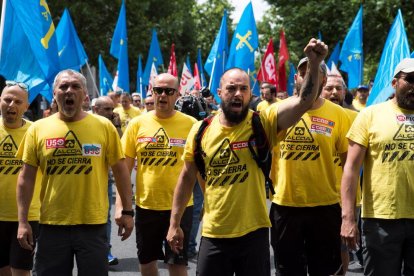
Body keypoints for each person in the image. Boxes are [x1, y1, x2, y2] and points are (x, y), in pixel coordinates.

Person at [167, 38, 328, 276]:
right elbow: (186, 177)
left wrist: (314, 63)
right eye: (231, 88)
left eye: (243, 88)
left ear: (250, 92)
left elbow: (304, 101)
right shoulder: (200, 130)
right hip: (214, 233)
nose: (238, 93)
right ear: (219, 92)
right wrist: (174, 224)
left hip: (254, 233)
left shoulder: (262, 122)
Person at [16, 69, 134, 276]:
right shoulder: (37, 129)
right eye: (63, 87)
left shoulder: (104, 126)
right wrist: (23, 222)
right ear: (54, 94)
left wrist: (127, 211)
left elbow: (121, 171)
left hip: (93, 224)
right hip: (51, 225)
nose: (69, 91)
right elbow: (25, 179)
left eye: (75, 86)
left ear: (85, 95)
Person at [270, 56, 350, 275]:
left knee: (325, 270)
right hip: (284, 206)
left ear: (323, 80)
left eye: (314, 73)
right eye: (304, 73)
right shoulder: (275, 111)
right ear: (296, 78)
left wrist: (349, 211)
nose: (308, 77)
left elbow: (348, 167)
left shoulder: (339, 115)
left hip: (326, 207)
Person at [341, 58, 414, 275]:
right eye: (409, 79)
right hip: (381, 219)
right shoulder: (370, 115)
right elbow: (351, 169)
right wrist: (348, 217)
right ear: (394, 83)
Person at [120, 73, 197, 276]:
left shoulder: (191, 125)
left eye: (168, 91)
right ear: (152, 92)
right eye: (158, 90)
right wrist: (122, 207)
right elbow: (123, 171)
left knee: (177, 265)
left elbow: (199, 169)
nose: (163, 95)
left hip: (180, 208)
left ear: (177, 94)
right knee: (147, 263)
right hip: (147, 206)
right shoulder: (137, 125)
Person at [320, 73, 360, 273]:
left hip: (346, 198)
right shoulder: (308, 115)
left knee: (341, 249)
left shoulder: (358, 118)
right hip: (318, 198)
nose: (334, 92)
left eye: (339, 88)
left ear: (345, 92)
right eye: (329, 88)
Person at [0, 81, 41, 276]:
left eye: (18, 101)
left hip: (26, 216)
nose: (11, 105)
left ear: (26, 106)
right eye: (7, 99)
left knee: (21, 271)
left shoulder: (36, 131)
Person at [92, 96, 123, 265]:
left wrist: (117, 125)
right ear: (96, 109)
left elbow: (120, 146)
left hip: (105, 178)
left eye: (112, 109)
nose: (111, 113)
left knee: (105, 215)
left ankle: (106, 251)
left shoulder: (111, 126)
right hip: (86, 178)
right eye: (107, 109)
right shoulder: (86, 123)